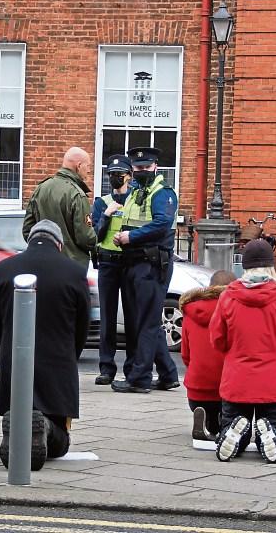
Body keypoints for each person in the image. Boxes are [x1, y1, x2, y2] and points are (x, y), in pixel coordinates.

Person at [0, 220, 90, 471]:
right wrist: (71, 355)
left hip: (15, 365)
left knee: (19, 410)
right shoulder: (74, 272)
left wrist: (8, 349)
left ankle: (16, 427)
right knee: (61, 444)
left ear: (30, 239)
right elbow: (82, 325)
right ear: (59, 244)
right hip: (58, 367)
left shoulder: (4, 268)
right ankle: (45, 427)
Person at [209, 240, 276, 463]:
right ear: (270, 266)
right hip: (272, 382)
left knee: (233, 422)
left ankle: (232, 434)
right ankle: (272, 435)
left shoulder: (228, 297)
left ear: (244, 266)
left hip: (236, 380)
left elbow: (217, 339)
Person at [111, 147, 180, 394]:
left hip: (151, 265)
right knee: (143, 321)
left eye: (145, 167)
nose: (141, 171)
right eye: (137, 168)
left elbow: (162, 223)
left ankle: (139, 377)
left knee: (147, 323)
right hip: (134, 263)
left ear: (155, 167)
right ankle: (168, 374)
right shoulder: (135, 192)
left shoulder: (163, 194)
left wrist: (131, 237)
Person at [91, 154, 135, 385]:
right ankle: (106, 368)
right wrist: (106, 216)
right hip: (107, 262)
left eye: (120, 175)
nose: (115, 178)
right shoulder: (101, 202)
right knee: (107, 318)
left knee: (131, 316)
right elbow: (96, 235)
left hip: (129, 262)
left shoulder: (136, 200)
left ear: (129, 176)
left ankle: (131, 367)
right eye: (111, 175)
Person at [180, 270, 236, 441]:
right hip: (225, 388)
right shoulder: (234, 312)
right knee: (227, 415)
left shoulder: (190, 313)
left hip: (196, 389)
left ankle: (203, 416)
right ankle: (218, 423)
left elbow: (185, 354)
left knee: (205, 408)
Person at [22, 147, 97, 269]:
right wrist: (96, 238)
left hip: (41, 263)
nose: (89, 170)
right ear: (79, 166)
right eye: (88, 166)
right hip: (71, 266)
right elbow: (85, 238)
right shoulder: (77, 194)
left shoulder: (41, 188)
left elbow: (27, 230)